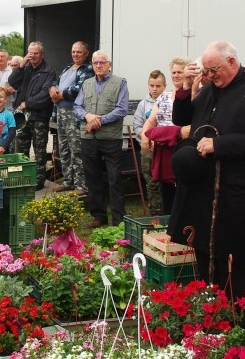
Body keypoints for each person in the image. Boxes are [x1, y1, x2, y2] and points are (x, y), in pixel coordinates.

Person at [168, 41, 245, 293]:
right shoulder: (209, 90)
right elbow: (182, 119)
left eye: (213, 70)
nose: (209, 76)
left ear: (231, 62)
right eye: (205, 71)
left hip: (235, 190)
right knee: (204, 250)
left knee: (233, 254)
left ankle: (237, 312)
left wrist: (218, 144)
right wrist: (186, 86)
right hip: (202, 189)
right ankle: (210, 305)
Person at [74, 50, 129, 227]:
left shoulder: (120, 83)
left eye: (102, 63)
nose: (99, 66)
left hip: (111, 138)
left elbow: (122, 109)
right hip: (89, 138)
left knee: (114, 179)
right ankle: (99, 216)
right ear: (92, 64)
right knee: (93, 178)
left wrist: (99, 120)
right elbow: (77, 107)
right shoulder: (87, 83)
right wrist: (88, 116)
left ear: (109, 64)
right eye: (96, 63)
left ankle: (118, 219)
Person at [139, 57, 191, 215]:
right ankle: (166, 221)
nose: (176, 75)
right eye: (173, 72)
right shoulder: (164, 97)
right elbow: (151, 120)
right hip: (163, 150)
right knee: (166, 190)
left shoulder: (195, 94)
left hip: (182, 146)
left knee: (183, 189)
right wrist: (145, 138)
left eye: (180, 72)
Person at [8, 42, 57, 190]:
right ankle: (22, 177)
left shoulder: (48, 71)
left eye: (35, 53)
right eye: (30, 53)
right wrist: (21, 66)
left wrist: (27, 103)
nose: (32, 56)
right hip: (22, 117)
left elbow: (45, 95)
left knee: (39, 150)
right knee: (20, 149)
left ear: (41, 54)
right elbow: (12, 82)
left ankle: (39, 180)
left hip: (39, 117)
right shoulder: (25, 68)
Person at [50, 42, 93, 195]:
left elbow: (80, 88)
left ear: (86, 53)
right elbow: (56, 81)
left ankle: (81, 186)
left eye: (79, 52)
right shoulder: (68, 67)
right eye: (73, 51)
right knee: (64, 148)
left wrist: (60, 95)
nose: (75, 54)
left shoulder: (87, 69)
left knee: (76, 149)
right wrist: (53, 89)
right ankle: (68, 181)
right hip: (60, 112)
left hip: (74, 113)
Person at [131, 69, 166, 207]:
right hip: (147, 150)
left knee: (166, 181)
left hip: (163, 148)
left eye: (158, 86)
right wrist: (146, 137)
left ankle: (168, 211)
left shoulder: (168, 102)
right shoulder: (143, 104)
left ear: (164, 86)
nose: (155, 89)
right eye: (152, 85)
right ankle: (155, 212)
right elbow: (137, 126)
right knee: (151, 181)